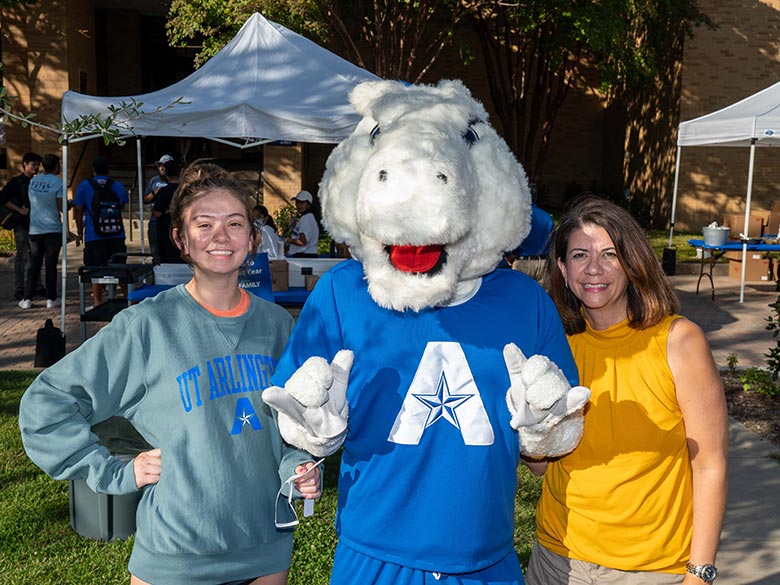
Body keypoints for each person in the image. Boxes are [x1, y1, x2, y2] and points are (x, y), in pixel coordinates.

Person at [19, 170, 322, 585]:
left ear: (253, 239)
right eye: (204, 224)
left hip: (265, 544)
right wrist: (114, 472)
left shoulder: (277, 325)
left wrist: (299, 465)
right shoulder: (147, 326)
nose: (221, 235)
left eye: (235, 223)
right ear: (180, 239)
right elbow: (46, 405)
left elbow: (290, 427)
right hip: (177, 551)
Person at [525, 195, 728, 585]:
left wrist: (700, 574)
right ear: (563, 269)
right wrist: (534, 432)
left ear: (632, 263)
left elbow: (710, 464)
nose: (594, 269)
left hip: (648, 569)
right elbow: (540, 467)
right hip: (556, 558)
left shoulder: (678, 341)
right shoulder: (553, 347)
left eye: (610, 254)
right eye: (580, 255)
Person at [73, 156, 129, 307]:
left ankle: (98, 301)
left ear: (93, 170)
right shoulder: (117, 186)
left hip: (94, 235)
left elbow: (78, 209)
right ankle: (129, 299)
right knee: (120, 269)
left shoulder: (84, 185)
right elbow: (121, 206)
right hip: (116, 234)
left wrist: (79, 231)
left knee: (95, 270)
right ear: (108, 170)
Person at [19, 154, 64, 309]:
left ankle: (27, 298)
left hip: (35, 229)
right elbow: (60, 206)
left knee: (35, 264)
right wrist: (69, 205)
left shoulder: (34, 181)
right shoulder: (58, 182)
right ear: (56, 166)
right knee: (51, 264)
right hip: (53, 228)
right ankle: (51, 299)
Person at [0, 151, 42, 301]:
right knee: (22, 256)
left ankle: (37, 286)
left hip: (36, 224)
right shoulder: (16, 182)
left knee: (36, 256)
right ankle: (20, 288)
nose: (36, 167)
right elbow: (3, 198)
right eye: (33, 164)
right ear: (25, 164)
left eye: (38, 164)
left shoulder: (38, 182)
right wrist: (19, 210)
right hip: (22, 224)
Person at [143, 154, 173, 263]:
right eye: (159, 166)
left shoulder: (175, 181)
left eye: (163, 166)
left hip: (171, 219)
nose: (161, 168)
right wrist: (156, 192)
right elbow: (145, 199)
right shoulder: (154, 180)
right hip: (156, 219)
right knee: (156, 249)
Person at [151, 158, 182, 263]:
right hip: (184, 230)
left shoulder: (164, 191)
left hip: (166, 231)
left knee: (166, 261)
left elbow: (156, 213)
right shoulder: (186, 190)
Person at [285, 190, 319, 257]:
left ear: (308, 205)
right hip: (309, 254)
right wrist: (292, 228)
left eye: (302, 203)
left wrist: (288, 240)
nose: (298, 205)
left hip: (302, 256)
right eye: (297, 202)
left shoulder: (305, 218)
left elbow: (302, 242)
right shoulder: (311, 217)